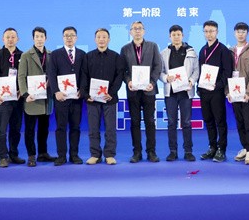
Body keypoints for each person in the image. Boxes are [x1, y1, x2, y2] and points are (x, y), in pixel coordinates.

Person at [81, 28, 126, 165]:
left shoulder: (116, 57)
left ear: (109, 39)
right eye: (99, 37)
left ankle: (109, 154)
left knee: (110, 128)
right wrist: (86, 95)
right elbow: (83, 76)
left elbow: (119, 76)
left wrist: (111, 93)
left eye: (104, 37)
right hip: (92, 99)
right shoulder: (88, 56)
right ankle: (95, 154)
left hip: (109, 99)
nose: (101, 39)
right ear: (95, 40)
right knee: (93, 128)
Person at [120, 21, 163, 163]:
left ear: (144, 31)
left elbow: (157, 66)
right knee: (135, 122)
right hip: (133, 91)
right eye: (134, 29)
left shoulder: (153, 46)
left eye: (140, 28)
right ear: (130, 32)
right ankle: (136, 152)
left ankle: (151, 152)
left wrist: (152, 82)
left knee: (150, 121)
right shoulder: (125, 49)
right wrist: (128, 81)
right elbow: (123, 70)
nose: (137, 31)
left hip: (149, 90)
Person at [196, 20, 234, 162]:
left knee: (220, 121)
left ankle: (221, 149)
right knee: (208, 120)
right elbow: (200, 71)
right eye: (206, 31)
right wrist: (199, 88)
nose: (209, 34)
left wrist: (218, 85)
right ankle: (212, 147)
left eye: (211, 31)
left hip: (217, 91)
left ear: (217, 32)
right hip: (204, 91)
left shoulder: (223, 50)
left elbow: (227, 72)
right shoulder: (203, 50)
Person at [47, 26, 86, 166]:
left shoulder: (82, 54)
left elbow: (84, 74)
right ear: (63, 38)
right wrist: (56, 91)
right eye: (66, 35)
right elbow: (51, 74)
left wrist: (82, 90)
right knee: (61, 127)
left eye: (72, 35)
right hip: (61, 98)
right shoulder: (55, 54)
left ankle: (74, 155)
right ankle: (61, 156)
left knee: (75, 127)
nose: (69, 38)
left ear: (76, 37)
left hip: (76, 98)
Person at [159, 25, 198, 162]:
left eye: (178, 34)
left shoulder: (191, 51)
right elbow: (160, 72)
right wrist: (166, 78)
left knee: (186, 122)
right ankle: (173, 151)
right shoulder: (164, 53)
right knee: (171, 123)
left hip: (186, 92)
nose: (176, 37)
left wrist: (191, 81)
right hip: (170, 92)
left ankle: (188, 151)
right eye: (173, 35)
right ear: (169, 36)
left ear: (182, 36)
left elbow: (196, 70)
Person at [18, 27, 55, 167]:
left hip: (46, 98)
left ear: (46, 38)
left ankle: (43, 153)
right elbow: (21, 77)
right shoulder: (26, 55)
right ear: (33, 38)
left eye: (42, 36)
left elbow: (54, 74)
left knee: (44, 129)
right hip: (32, 98)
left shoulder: (51, 54)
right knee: (30, 129)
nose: (39, 39)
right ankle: (31, 155)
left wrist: (51, 82)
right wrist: (25, 94)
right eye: (37, 36)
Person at [0, 28, 25, 168]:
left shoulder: (23, 55)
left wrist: (23, 90)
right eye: (7, 37)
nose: (10, 39)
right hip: (2, 99)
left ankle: (13, 154)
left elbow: (25, 76)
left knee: (16, 128)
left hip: (17, 99)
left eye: (13, 37)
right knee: (1, 129)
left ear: (18, 39)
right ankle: (2, 157)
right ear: (3, 39)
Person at [230, 22, 249, 165]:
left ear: (247, 33)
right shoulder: (230, 51)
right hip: (234, 93)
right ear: (234, 33)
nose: (240, 34)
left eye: (243, 31)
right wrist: (228, 92)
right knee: (240, 123)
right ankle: (244, 148)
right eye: (238, 31)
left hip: (248, 95)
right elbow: (227, 72)